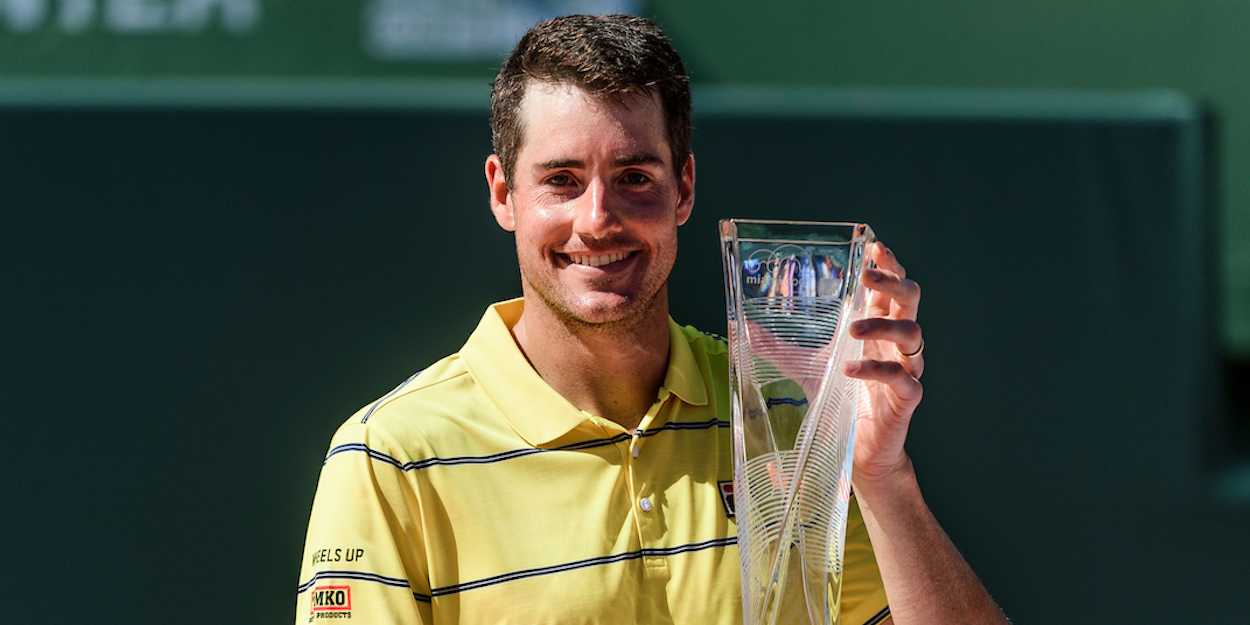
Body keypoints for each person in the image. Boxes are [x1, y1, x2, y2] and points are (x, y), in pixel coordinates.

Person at [295, 13, 1007, 625]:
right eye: (562, 180)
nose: (598, 219)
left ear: (684, 187)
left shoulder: (790, 416)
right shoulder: (389, 454)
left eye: (634, 177)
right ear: (503, 192)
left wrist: (882, 475)